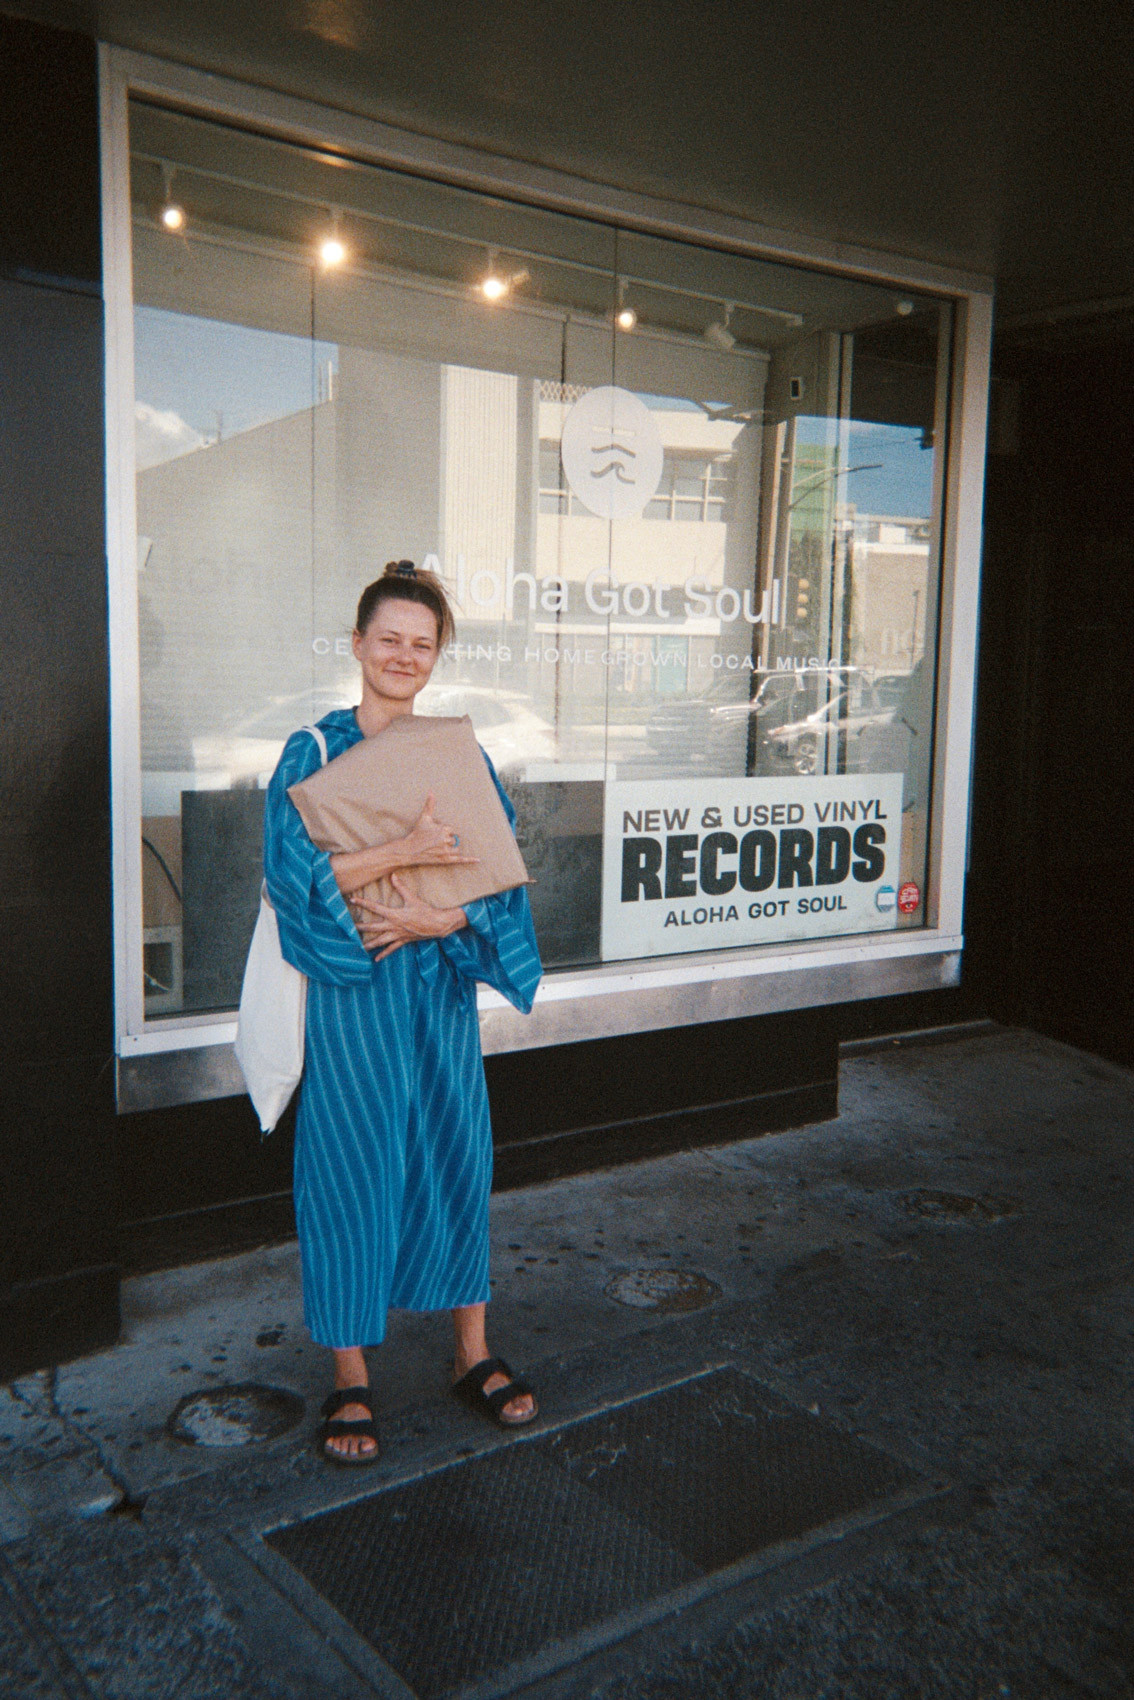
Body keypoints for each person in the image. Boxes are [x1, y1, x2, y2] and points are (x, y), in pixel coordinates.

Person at [263, 560, 543, 1463]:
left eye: (421, 644)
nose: (403, 655)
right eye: (388, 638)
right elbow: (293, 880)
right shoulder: (313, 753)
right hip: (352, 994)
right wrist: (406, 848)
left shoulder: (456, 754)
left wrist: (442, 919)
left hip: (439, 989)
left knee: (457, 1156)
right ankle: (350, 1375)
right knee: (348, 1167)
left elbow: (499, 880)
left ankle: (472, 1352)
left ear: (436, 656)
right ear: (357, 644)